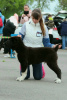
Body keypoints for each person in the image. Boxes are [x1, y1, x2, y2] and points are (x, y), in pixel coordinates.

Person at [18, 8, 61, 80]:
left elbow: (46, 43)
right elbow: (20, 37)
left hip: (37, 53)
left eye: (37, 19)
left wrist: (53, 46)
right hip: (26, 51)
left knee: (38, 77)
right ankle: (22, 65)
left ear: (40, 18)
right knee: (26, 77)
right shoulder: (25, 25)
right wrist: (19, 37)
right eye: (33, 18)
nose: (35, 20)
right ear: (31, 17)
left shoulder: (44, 27)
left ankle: (41, 66)